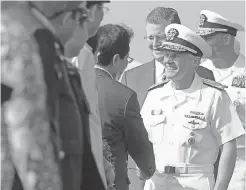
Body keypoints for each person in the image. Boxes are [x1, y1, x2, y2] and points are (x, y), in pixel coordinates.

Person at [141, 23, 245, 190]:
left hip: (196, 181)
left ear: (195, 61)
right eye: (167, 54)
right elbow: (141, 138)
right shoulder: (154, 95)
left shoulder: (214, 95)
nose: (168, 60)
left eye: (175, 55)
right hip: (157, 182)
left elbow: (228, 145)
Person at [94, 24, 156, 190]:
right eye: (126, 60)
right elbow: (141, 148)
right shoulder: (124, 96)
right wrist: (146, 170)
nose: (126, 65)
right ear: (115, 59)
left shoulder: (71, 82)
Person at [120, 7, 215, 109]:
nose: (155, 44)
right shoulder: (130, 79)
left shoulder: (204, 75)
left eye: (160, 37)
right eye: (151, 38)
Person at [197, 10, 245, 190]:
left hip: (239, 166)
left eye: (208, 38)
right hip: (201, 165)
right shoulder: (196, 72)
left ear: (226, 39)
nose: (202, 44)